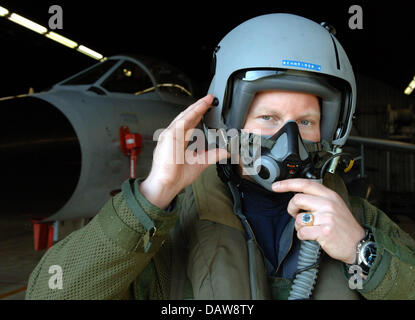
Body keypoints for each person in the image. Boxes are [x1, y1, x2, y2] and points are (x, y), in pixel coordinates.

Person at [26, 13, 415, 300]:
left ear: (330, 129)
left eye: (308, 121)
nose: (289, 138)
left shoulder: (358, 220)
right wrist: (151, 197)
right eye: (267, 118)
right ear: (225, 119)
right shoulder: (168, 226)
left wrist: (364, 252)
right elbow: (48, 295)